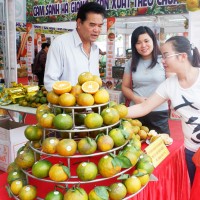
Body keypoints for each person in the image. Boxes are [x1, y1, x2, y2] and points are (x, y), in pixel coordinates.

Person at [126, 35, 200, 186]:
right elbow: (144, 107)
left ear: (182, 56)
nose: (162, 60)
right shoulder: (169, 85)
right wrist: (114, 113)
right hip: (190, 151)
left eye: (165, 56)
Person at [44, 2, 106, 91]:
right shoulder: (60, 44)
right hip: (67, 103)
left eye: (100, 26)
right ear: (79, 23)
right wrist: (71, 98)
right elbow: (50, 82)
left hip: (91, 103)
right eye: (92, 25)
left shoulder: (95, 49)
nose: (97, 30)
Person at [122, 26, 170, 134]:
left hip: (158, 112)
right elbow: (124, 87)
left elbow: (172, 84)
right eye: (138, 42)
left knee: (161, 146)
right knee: (136, 145)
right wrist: (136, 98)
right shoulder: (131, 62)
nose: (143, 45)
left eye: (146, 41)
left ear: (153, 40)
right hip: (136, 110)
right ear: (134, 45)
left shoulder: (163, 61)